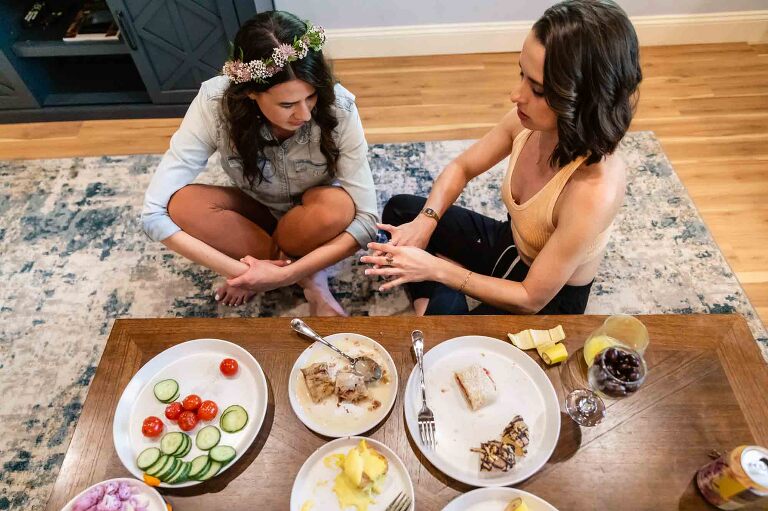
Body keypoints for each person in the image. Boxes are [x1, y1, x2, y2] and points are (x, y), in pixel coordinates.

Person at [362, 0, 641, 315]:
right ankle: (436, 298)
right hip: (512, 247)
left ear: (583, 100)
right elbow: (462, 166)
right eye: (522, 74)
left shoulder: (594, 190)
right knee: (401, 211)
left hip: (547, 301)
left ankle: (436, 300)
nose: (516, 95)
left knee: (445, 337)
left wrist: (436, 270)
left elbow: (530, 297)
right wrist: (426, 222)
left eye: (537, 90)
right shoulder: (528, 121)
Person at [142, 11, 378, 315]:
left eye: (311, 97)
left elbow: (368, 221)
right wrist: (244, 273)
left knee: (340, 207)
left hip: (313, 220)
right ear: (251, 93)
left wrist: (283, 276)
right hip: (256, 212)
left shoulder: (340, 106)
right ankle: (306, 278)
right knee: (182, 203)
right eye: (287, 104)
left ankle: (303, 277)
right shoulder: (214, 104)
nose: (304, 115)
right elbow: (152, 214)